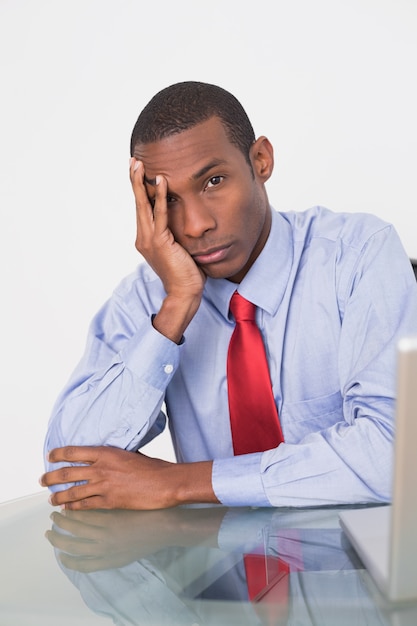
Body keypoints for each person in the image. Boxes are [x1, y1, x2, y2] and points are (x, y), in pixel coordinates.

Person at [40, 81, 417, 511]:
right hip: (217, 573)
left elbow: (396, 457)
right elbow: (68, 475)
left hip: (353, 571)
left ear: (261, 160)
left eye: (213, 181)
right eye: (167, 199)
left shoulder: (358, 256)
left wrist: (180, 483)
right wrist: (177, 307)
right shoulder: (147, 300)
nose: (195, 224)